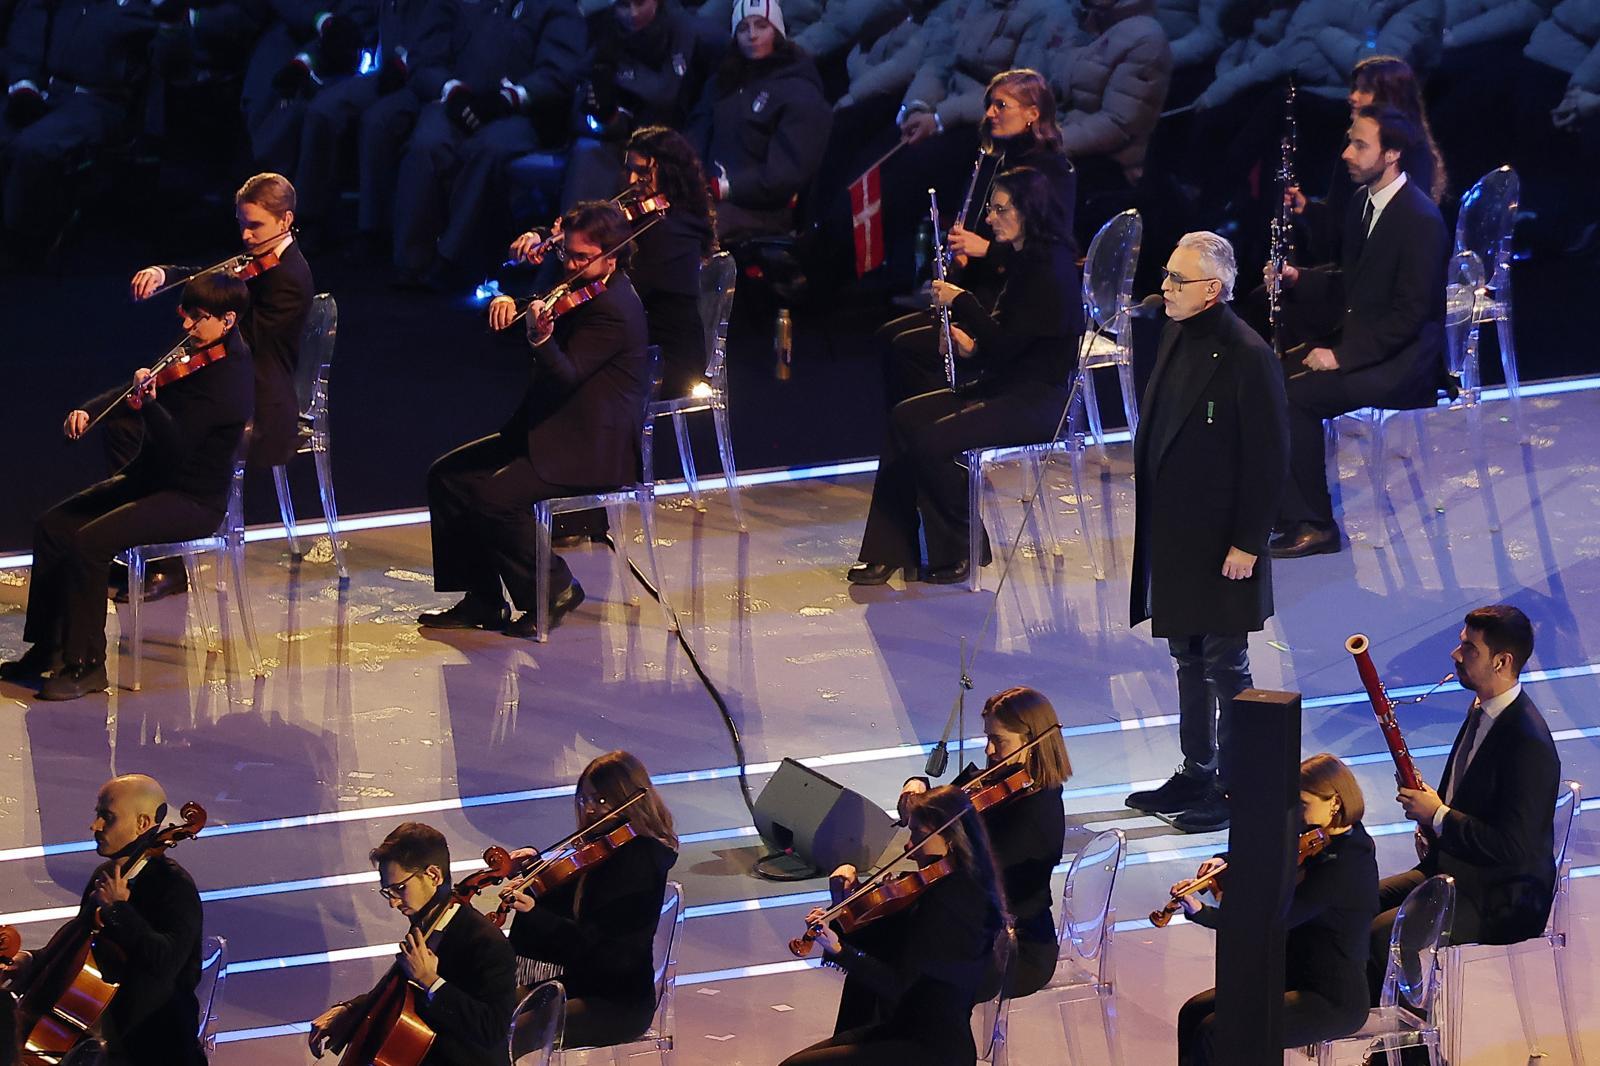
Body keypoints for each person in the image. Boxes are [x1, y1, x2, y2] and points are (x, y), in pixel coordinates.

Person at [0, 274, 254, 700]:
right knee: (53, 525)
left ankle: (86, 666)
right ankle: (49, 648)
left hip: (189, 498)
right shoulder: (197, 351)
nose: (187, 327)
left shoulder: (229, 380)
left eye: (198, 318)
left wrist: (149, 405)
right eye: (185, 315)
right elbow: (141, 389)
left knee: (89, 543)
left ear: (227, 320)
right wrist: (92, 409)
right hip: (152, 479)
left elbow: (176, 448)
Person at [419, 199, 650, 637]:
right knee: (448, 477)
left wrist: (541, 340)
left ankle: (554, 588)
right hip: (552, 429)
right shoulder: (581, 288)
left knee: (493, 499)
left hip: (589, 448)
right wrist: (512, 304)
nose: (573, 267)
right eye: (569, 255)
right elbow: (544, 305)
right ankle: (483, 600)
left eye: (584, 258)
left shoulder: (614, 310)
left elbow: (568, 376)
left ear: (613, 256)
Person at [1124, 231, 1289, 834]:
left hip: (1225, 545)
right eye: (1167, 276)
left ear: (1212, 290)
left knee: (1225, 663)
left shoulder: (1247, 353)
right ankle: (1197, 766)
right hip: (1178, 537)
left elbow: (1270, 458)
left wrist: (1248, 542)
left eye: (1176, 280)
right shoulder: (1175, 331)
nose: (1164, 288)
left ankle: (1233, 784)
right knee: (1187, 656)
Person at [849, 165, 1081, 587]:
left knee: (931, 439)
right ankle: (888, 549)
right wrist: (968, 346)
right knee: (904, 417)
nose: (989, 218)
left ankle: (963, 546)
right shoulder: (1027, 261)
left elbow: (1010, 346)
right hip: (1011, 385)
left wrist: (963, 302)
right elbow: (1007, 345)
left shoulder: (1051, 271)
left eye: (998, 209)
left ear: (1028, 211)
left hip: (1037, 402)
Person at [1267, 105, 1447, 559]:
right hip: (1369, 341)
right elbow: (1352, 279)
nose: (1347, 153)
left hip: (1403, 362)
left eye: (1360, 145)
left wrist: (1340, 357)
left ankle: (1315, 524)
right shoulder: (1362, 203)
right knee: (1265, 375)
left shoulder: (1419, 220)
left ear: (1391, 155)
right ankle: (1283, 507)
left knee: (1295, 397)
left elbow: (1410, 316)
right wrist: (1297, 278)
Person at [1368, 605, 1560, 1000]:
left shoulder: (1528, 744)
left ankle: (1409, 1053)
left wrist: (1438, 816)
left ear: (1502, 662)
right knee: (1352, 907)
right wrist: (1436, 825)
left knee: (1382, 939)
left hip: (1500, 896)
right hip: (1455, 869)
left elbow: (1514, 847)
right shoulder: (1483, 709)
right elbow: (1468, 799)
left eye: (1469, 649)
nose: (1456, 656)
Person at [877, 68, 1078, 403]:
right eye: (989, 105)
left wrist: (986, 250)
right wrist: (963, 259)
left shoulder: (1051, 171)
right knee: (890, 337)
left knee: (906, 349)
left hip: (1017, 304)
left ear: (1033, 113)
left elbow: (1049, 254)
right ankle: (922, 428)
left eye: (1001, 105)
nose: (989, 114)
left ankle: (938, 425)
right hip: (991, 288)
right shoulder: (998, 160)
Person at [779, 785, 1007, 1066]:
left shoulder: (953, 903)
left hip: (933, 1049)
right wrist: (845, 900)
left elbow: (898, 986)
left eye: (917, 835)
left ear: (949, 838)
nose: (909, 847)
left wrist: (840, 951)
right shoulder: (940, 890)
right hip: (907, 1030)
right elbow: (879, 942)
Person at [1174, 754, 1379, 1064]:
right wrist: (1226, 861)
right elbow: (1269, 851)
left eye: (1304, 803)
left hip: (1331, 999)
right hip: (1292, 975)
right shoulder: (1319, 837)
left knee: (1216, 1032)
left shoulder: (1347, 864)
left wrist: (1203, 913)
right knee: (1193, 1013)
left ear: (1335, 802)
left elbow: (1271, 921)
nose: (1297, 813)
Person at [0, 774, 207, 1064]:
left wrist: (118, 911)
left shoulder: (174, 887)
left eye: (106, 817)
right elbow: (77, 950)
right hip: (94, 1043)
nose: (94, 825)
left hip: (149, 1049)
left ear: (143, 824)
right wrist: (32, 962)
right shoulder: (106, 876)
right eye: (98, 815)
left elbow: (165, 962)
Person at [502, 124, 715, 399]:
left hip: (666, 360)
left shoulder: (676, 230)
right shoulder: (645, 218)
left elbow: (614, 279)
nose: (630, 180)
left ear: (669, 173)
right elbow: (591, 230)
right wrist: (544, 236)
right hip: (634, 340)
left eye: (642, 172)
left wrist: (565, 250)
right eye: (628, 169)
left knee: (568, 358)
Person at [389, 0, 584, 286]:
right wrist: (450, 89)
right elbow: (425, 60)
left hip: (523, 112)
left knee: (487, 149)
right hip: (454, 100)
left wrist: (512, 97)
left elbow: (559, 73)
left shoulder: (554, 5)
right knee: (427, 144)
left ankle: (450, 258)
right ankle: (410, 260)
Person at [130, 172, 315, 474]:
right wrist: (164, 274)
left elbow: (250, 345)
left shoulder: (290, 278)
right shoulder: (256, 260)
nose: (245, 236)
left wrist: (206, 327)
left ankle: (179, 512)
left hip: (258, 405)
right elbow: (210, 277)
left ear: (285, 220)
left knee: (144, 426)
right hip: (230, 386)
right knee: (135, 417)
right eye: (242, 224)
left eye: (255, 226)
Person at [897, 686, 1071, 998]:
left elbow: (976, 880)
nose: (989, 750)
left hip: (1012, 947)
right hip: (968, 929)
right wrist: (917, 793)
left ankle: (912, 1043)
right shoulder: (990, 780)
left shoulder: (1038, 812)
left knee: (903, 968)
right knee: (880, 945)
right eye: (987, 738)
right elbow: (936, 812)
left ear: (1032, 743)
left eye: (999, 741)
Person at [502, 751, 679, 1048]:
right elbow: (570, 896)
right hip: (582, 982)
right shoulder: (603, 851)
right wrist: (535, 867)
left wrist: (536, 913)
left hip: (618, 1002)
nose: (591, 809)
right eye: (584, 800)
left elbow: (602, 949)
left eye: (601, 800)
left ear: (628, 799)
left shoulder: (640, 862)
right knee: (486, 1011)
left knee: (512, 1033)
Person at [308, 822, 518, 1064]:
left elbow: (492, 1029)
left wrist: (431, 981)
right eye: (388, 892)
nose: (393, 903)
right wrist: (350, 1010)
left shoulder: (486, 942)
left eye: (400, 889)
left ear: (433, 875)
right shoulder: (425, 925)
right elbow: (400, 994)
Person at [0, 0, 155, 250]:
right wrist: (24, 79)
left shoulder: (143, 11)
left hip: (100, 101)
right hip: (49, 91)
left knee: (33, 147)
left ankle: (19, 243)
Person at [688, 0, 832, 243]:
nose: (752, 35)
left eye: (761, 26)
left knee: (691, 232)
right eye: (743, 28)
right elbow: (696, 135)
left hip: (764, 212)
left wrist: (726, 187)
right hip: (707, 198)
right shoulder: (723, 81)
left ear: (776, 30)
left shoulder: (799, 90)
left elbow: (785, 174)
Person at [556, 0, 715, 208]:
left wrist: (619, 73)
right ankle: (578, 234)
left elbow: (666, 93)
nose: (632, 13)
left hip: (671, 131)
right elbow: (579, 82)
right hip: (617, 133)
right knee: (587, 151)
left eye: (640, 3)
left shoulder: (680, 26)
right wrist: (609, 115)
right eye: (624, 5)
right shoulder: (602, 24)